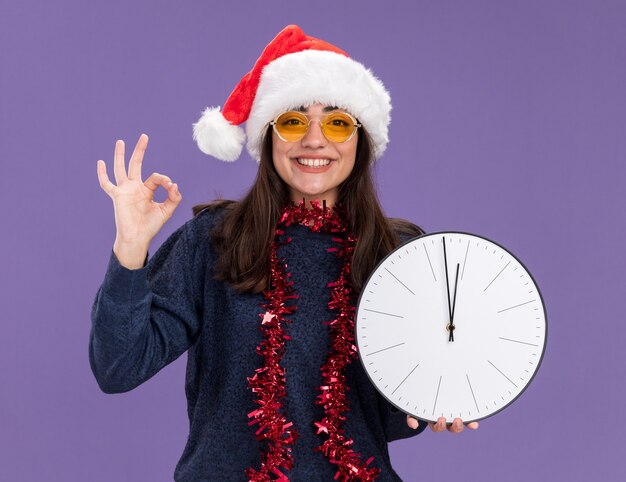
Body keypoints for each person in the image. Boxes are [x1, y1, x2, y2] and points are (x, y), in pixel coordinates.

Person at [91, 25, 478, 482]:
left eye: (337, 122)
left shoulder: (398, 254)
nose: (314, 140)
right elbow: (118, 367)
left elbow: (388, 419)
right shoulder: (213, 239)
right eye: (293, 121)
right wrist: (130, 249)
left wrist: (433, 400)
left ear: (362, 139)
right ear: (268, 137)